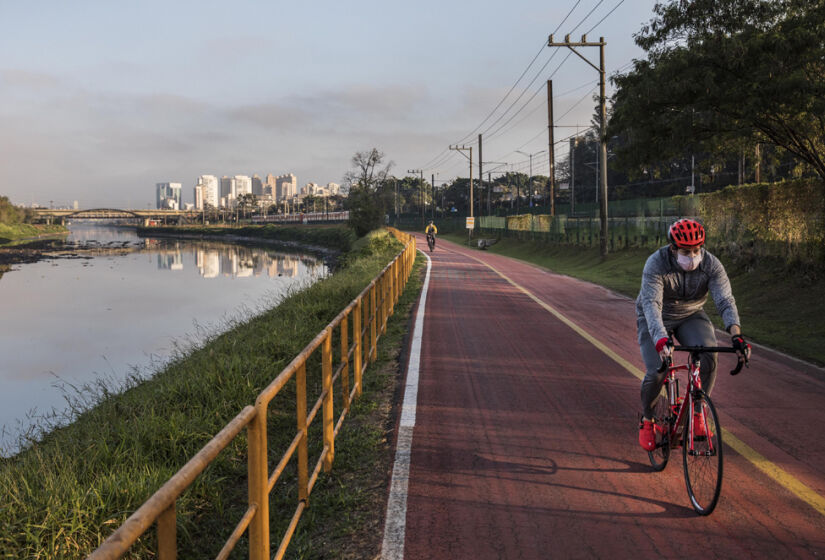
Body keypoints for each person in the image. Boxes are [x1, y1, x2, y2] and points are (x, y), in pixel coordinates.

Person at [636, 218, 750, 451]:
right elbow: (651, 304)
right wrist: (660, 339)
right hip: (656, 317)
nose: (692, 256)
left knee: (708, 356)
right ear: (673, 248)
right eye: (686, 251)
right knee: (657, 372)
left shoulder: (712, 265)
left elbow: (725, 300)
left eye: (697, 250)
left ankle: (698, 412)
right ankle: (648, 419)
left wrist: (736, 335)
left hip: (691, 315)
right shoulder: (656, 263)